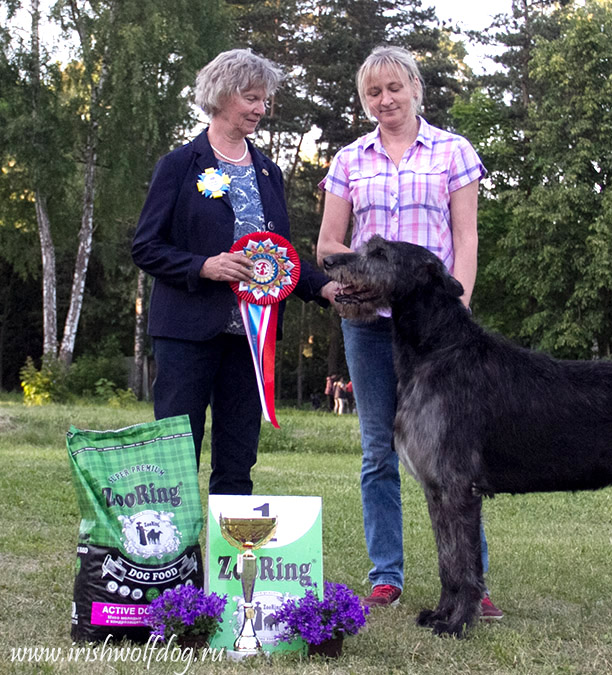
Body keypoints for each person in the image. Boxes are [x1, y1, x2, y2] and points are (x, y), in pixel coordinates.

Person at [316, 45, 501, 619]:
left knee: (458, 456)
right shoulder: (349, 159)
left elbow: (465, 239)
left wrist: (460, 302)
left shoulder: (453, 151)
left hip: (438, 327)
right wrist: (346, 281)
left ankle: (473, 583)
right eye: (373, 92)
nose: (384, 100)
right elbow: (328, 245)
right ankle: (386, 575)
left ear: (416, 88)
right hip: (372, 328)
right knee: (378, 451)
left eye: (394, 87)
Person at [132, 48, 338, 496]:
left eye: (265, 100)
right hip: (186, 333)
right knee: (175, 459)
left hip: (251, 340)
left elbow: (279, 258)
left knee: (238, 459)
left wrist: (327, 289)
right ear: (222, 96)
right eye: (251, 98)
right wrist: (202, 266)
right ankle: (176, 566)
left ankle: (227, 566)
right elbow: (145, 248)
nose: (261, 109)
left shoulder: (269, 172)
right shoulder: (179, 165)